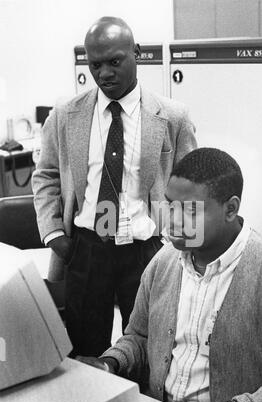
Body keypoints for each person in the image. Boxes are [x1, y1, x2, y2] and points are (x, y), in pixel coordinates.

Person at [77, 147, 262, 402]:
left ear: (230, 209)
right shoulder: (163, 262)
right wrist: (110, 364)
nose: (174, 220)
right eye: (170, 205)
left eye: (191, 210)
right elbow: (140, 338)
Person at [32, 16, 196, 357]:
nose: (104, 73)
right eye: (95, 64)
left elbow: (191, 189)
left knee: (148, 348)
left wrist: (187, 252)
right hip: (87, 248)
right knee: (84, 351)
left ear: (136, 53)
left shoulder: (172, 116)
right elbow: (46, 175)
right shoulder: (66, 114)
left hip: (147, 250)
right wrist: (55, 237)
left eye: (115, 62)